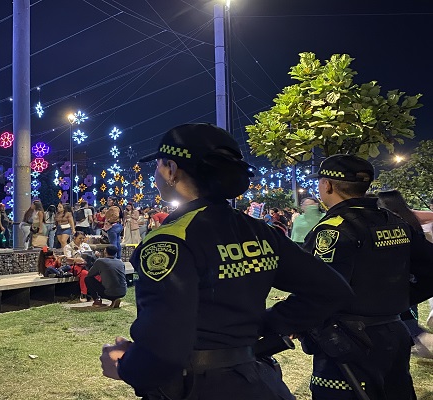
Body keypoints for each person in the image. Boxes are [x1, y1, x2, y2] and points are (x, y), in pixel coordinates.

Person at [99, 123, 354, 400]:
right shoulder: (259, 231)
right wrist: (263, 324)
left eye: (158, 165)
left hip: (199, 387)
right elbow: (331, 290)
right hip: (258, 382)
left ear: (171, 169)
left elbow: (167, 343)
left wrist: (125, 366)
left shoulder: (171, 240)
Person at [301, 155, 433, 400]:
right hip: (394, 331)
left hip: (347, 341)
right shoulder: (395, 222)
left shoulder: (334, 228)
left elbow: (318, 290)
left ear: (327, 185)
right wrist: (399, 299)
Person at [376, 189, 433, 359]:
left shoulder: (392, 224)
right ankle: (414, 340)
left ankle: (419, 340)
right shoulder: (410, 219)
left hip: (399, 280)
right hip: (414, 280)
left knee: (402, 317)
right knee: (406, 313)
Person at [63, 230, 93, 302]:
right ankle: (83, 293)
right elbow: (67, 259)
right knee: (84, 273)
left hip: (87, 265)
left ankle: (95, 293)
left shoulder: (86, 246)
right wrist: (76, 260)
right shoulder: (68, 246)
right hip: (74, 266)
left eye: (83, 238)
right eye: (80, 238)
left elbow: (91, 255)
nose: (82, 240)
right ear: (74, 238)